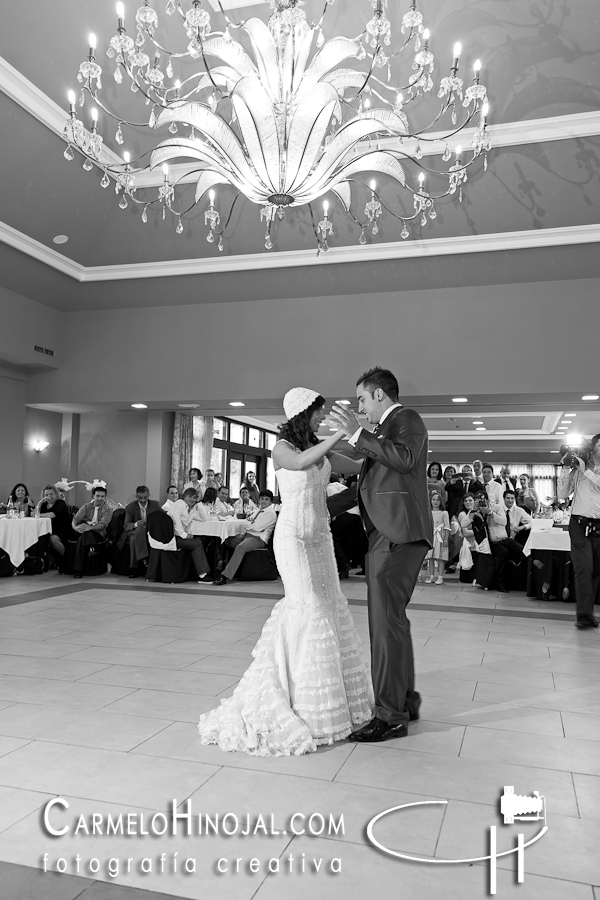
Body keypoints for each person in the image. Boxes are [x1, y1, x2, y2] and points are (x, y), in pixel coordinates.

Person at [198, 387, 373, 755]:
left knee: (329, 606)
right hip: (292, 537)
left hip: (320, 537)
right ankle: (302, 702)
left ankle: (334, 703)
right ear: (300, 413)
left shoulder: (317, 447)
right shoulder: (282, 448)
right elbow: (300, 463)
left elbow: (355, 465)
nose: (322, 418)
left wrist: (373, 446)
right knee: (308, 608)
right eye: (317, 412)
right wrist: (341, 434)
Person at [330, 366, 433, 743]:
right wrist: (319, 506)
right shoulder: (380, 433)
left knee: (384, 625)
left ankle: (389, 717)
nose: (359, 407)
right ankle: (405, 699)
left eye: (361, 399)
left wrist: (357, 434)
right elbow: (370, 485)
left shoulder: (406, 419)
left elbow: (404, 459)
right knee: (393, 621)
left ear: (379, 395)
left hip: (396, 535)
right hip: (391, 534)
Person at [557, 433, 600, 629]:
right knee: (583, 569)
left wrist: (586, 471)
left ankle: (588, 613)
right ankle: (583, 616)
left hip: (599, 527)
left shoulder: (585, 469)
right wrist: (567, 468)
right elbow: (563, 494)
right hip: (579, 525)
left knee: (596, 572)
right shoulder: (578, 468)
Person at [213, 489, 278, 585]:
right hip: (248, 535)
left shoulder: (271, 513)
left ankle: (225, 576)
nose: (263, 501)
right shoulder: (259, 510)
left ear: (271, 501)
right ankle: (218, 568)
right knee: (224, 540)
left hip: (258, 539)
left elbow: (257, 527)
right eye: (262, 499)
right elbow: (249, 520)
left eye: (266, 499)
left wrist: (249, 525)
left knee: (240, 547)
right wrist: (250, 524)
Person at [167, 488, 211, 581]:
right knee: (197, 543)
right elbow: (176, 522)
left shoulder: (192, 509)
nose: (192, 499)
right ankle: (203, 575)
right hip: (172, 537)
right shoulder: (178, 504)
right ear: (184, 497)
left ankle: (201, 572)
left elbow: (204, 518)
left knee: (200, 541)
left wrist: (199, 504)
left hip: (180, 536)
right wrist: (185, 536)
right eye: (190, 497)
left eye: (194, 497)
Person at [71, 485, 113, 578]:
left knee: (83, 538)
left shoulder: (108, 510)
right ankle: (91, 547)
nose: (100, 498)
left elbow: (102, 525)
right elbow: (76, 518)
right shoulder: (86, 506)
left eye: (102, 496)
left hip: (98, 533)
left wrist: (88, 527)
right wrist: (75, 528)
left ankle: (78, 570)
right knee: (82, 527)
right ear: (93, 496)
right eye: (97, 496)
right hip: (82, 531)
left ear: (105, 497)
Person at [121, 486, 160, 577]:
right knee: (135, 536)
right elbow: (126, 525)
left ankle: (134, 567)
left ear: (149, 495)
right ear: (136, 496)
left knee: (137, 537)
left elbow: (162, 517)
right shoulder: (130, 507)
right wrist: (135, 524)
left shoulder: (155, 505)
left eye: (145, 497)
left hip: (151, 531)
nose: (142, 500)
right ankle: (143, 560)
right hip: (134, 531)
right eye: (140, 498)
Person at [36, 484, 71, 569]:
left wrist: (38, 515)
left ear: (56, 494)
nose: (49, 497)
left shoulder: (60, 503)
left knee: (53, 539)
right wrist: (39, 504)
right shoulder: (44, 505)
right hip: (50, 529)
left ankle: (68, 560)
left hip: (63, 529)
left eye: (51, 494)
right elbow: (33, 514)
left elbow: (51, 515)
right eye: (46, 495)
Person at [425, 493, 450, 584]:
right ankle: (431, 576)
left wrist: (446, 538)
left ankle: (440, 577)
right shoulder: (428, 513)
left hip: (441, 536)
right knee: (430, 557)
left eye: (438, 500)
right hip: (431, 536)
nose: (435, 502)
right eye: (433, 500)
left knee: (441, 557)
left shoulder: (444, 513)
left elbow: (447, 527)